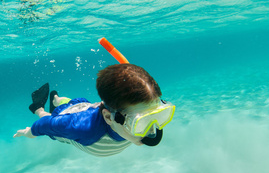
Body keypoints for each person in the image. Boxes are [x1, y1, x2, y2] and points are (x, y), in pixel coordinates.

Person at [13, 63, 175, 157]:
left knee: (78, 103)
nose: (151, 131)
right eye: (138, 122)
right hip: (68, 115)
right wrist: (29, 132)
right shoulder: (81, 129)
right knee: (50, 114)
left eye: (158, 115)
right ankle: (39, 107)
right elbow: (47, 125)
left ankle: (57, 99)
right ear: (109, 118)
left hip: (88, 107)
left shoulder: (126, 116)